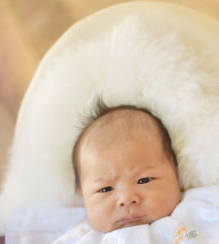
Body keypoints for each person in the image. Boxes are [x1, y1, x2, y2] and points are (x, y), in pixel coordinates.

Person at [72, 100, 182, 233]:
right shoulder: (77, 242)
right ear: (82, 194)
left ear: (176, 172)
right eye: (105, 189)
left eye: (144, 180)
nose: (126, 199)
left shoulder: (199, 211)